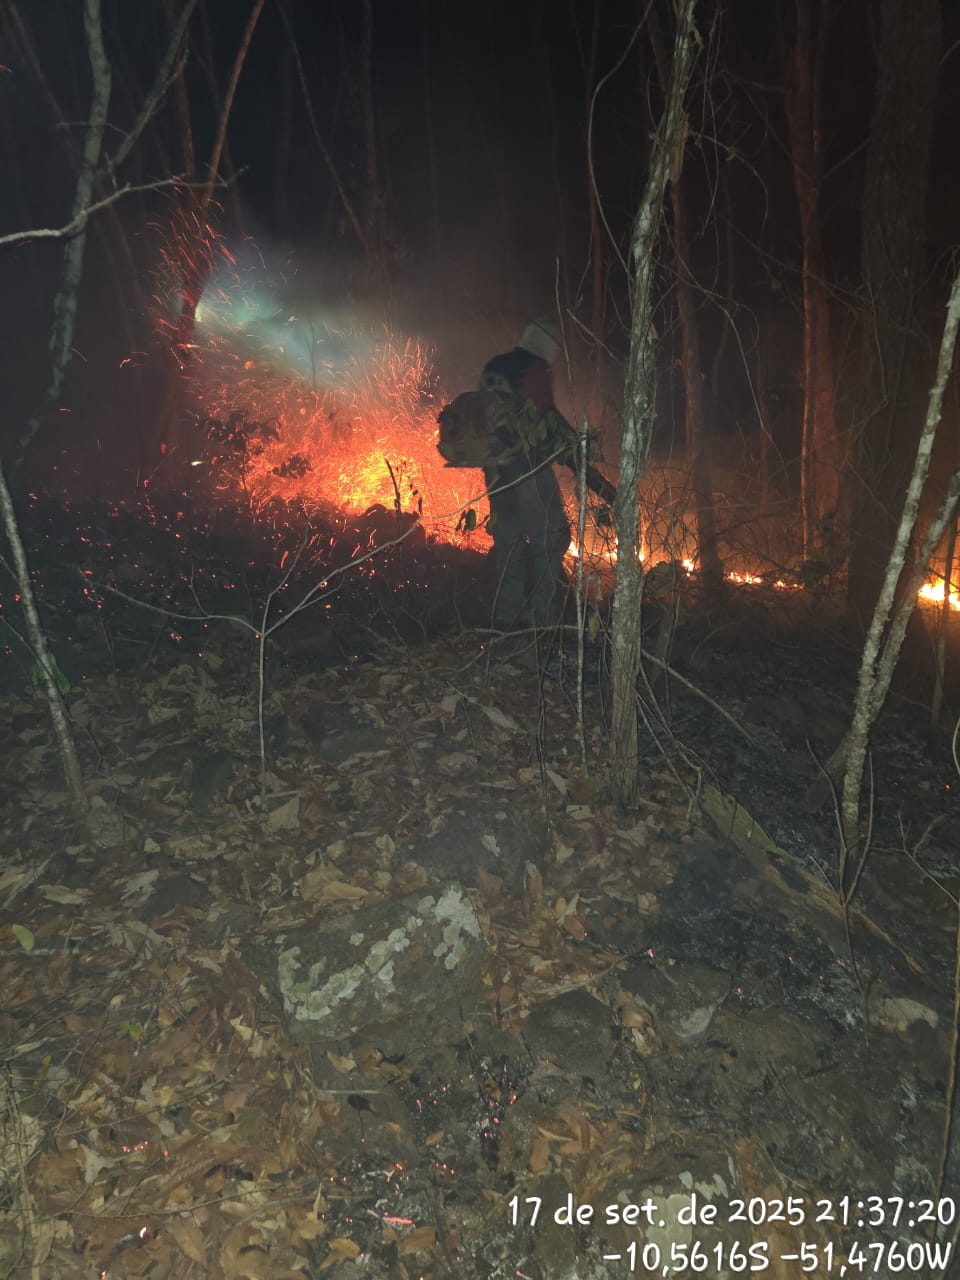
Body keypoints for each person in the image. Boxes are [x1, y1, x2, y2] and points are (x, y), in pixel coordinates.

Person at [479, 319, 578, 633]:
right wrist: (576, 449)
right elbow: (546, 417)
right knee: (550, 538)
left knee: (508, 542)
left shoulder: (495, 365)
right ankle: (541, 620)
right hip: (529, 470)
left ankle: (506, 619)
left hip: (496, 473)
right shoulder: (535, 369)